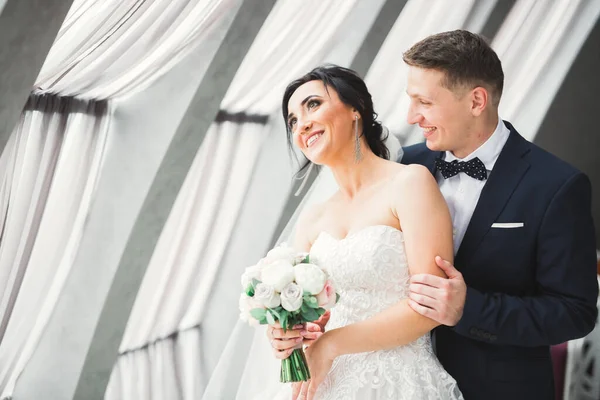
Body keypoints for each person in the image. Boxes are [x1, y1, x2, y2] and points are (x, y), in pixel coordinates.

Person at [270, 30, 599, 400]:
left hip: (495, 387)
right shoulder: (404, 165)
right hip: (371, 379)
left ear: (476, 100)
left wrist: (469, 309)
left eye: (424, 102)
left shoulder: (554, 185)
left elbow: (575, 312)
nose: (412, 116)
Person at [266, 64, 464, 400]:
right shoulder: (312, 219)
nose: (302, 125)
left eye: (312, 105)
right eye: (293, 121)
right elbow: (307, 317)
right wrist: (285, 333)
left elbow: (429, 306)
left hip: (399, 381)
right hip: (324, 383)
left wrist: (333, 344)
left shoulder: (410, 184)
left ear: (355, 107)